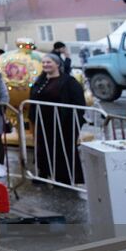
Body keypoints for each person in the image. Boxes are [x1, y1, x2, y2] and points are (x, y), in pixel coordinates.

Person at [29, 52, 88, 186]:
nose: (45, 65)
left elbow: (79, 103)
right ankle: (44, 173)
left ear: (57, 64)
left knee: (62, 149)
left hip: (62, 124)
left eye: (48, 62)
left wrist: (73, 120)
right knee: (43, 148)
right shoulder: (40, 81)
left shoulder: (69, 82)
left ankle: (63, 178)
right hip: (43, 122)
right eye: (43, 62)